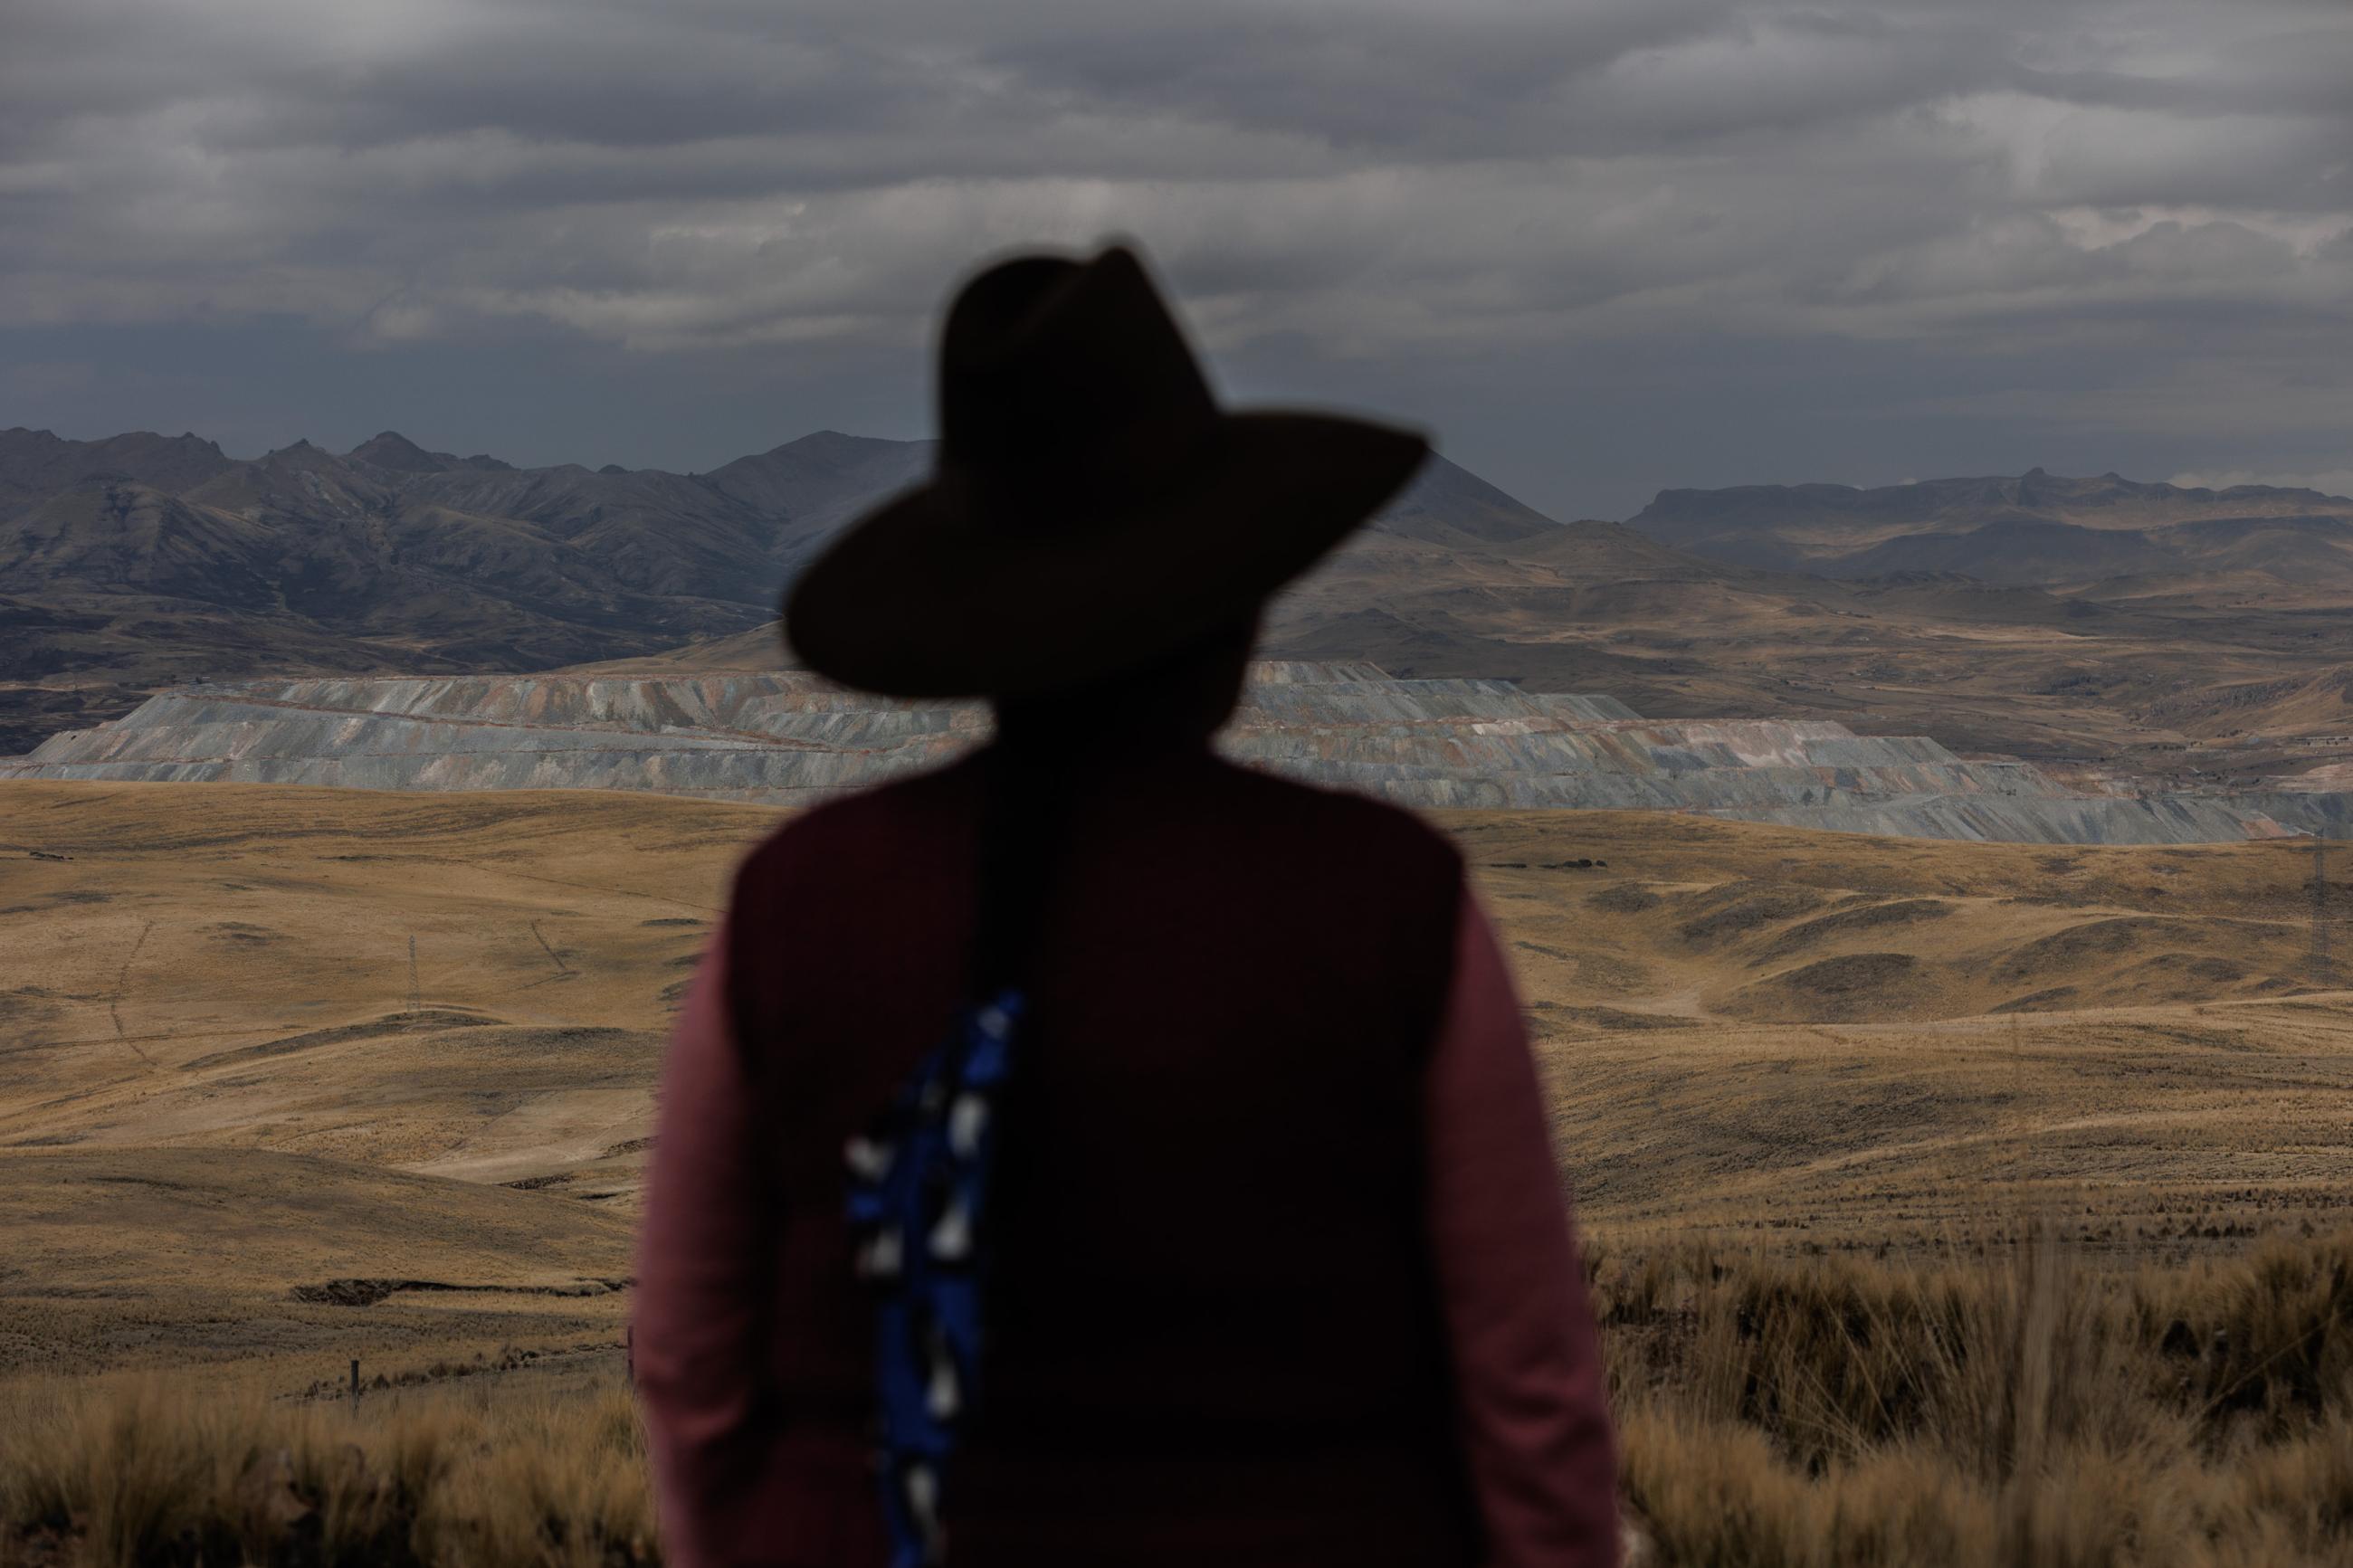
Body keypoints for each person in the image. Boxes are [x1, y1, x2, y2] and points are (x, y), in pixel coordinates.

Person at [634, 242, 1619, 1568]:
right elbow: (1529, 1382)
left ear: (973, 623)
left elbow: (689, 1356)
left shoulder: (797, 900)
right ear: (1233, 607)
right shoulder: (1387, 898)